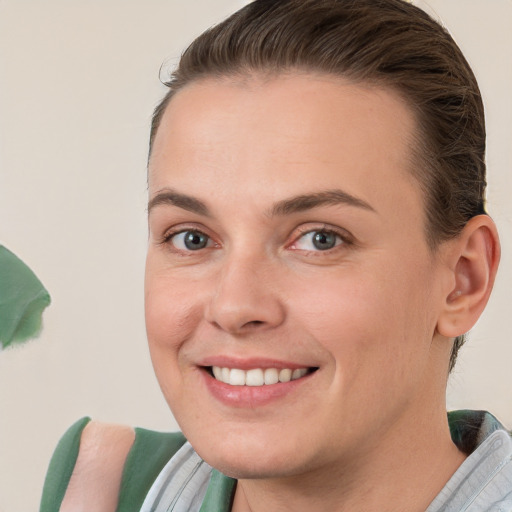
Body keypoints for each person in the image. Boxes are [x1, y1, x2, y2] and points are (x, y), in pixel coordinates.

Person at [40, 0, 511, 510]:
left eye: (320, 239)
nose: (234, 307)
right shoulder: (100, 486)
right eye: (192, 238)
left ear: (463, 279)